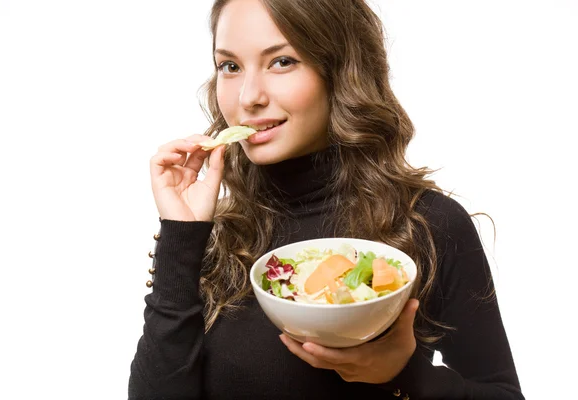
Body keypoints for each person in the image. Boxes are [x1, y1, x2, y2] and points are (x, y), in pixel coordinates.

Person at [128, 0, 524, 399]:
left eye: (281, 61)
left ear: (340, 69)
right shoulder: (216, 229)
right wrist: (181, 237)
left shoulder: (426, 223)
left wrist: (403, 374)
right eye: (230, 66)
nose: (248, 97)